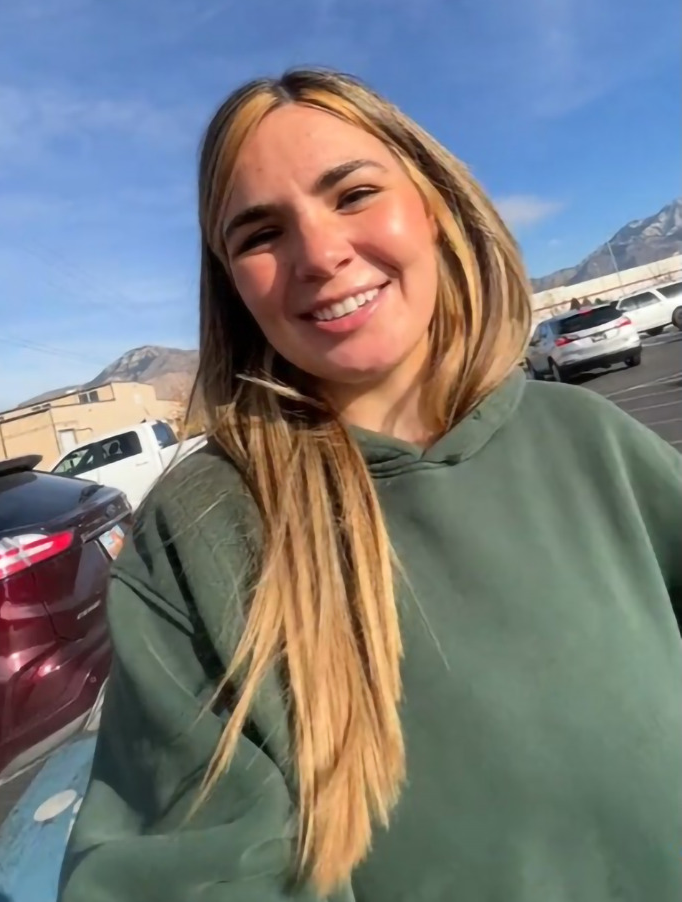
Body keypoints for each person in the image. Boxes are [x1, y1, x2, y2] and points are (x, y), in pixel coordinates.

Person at [58, 68, 682, 902]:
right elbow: (182, 870)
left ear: (432, 205)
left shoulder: (593, 440)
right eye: (260, 233)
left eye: (353, 193)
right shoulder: (203, 528)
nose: (319, 256)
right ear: (234, 287)